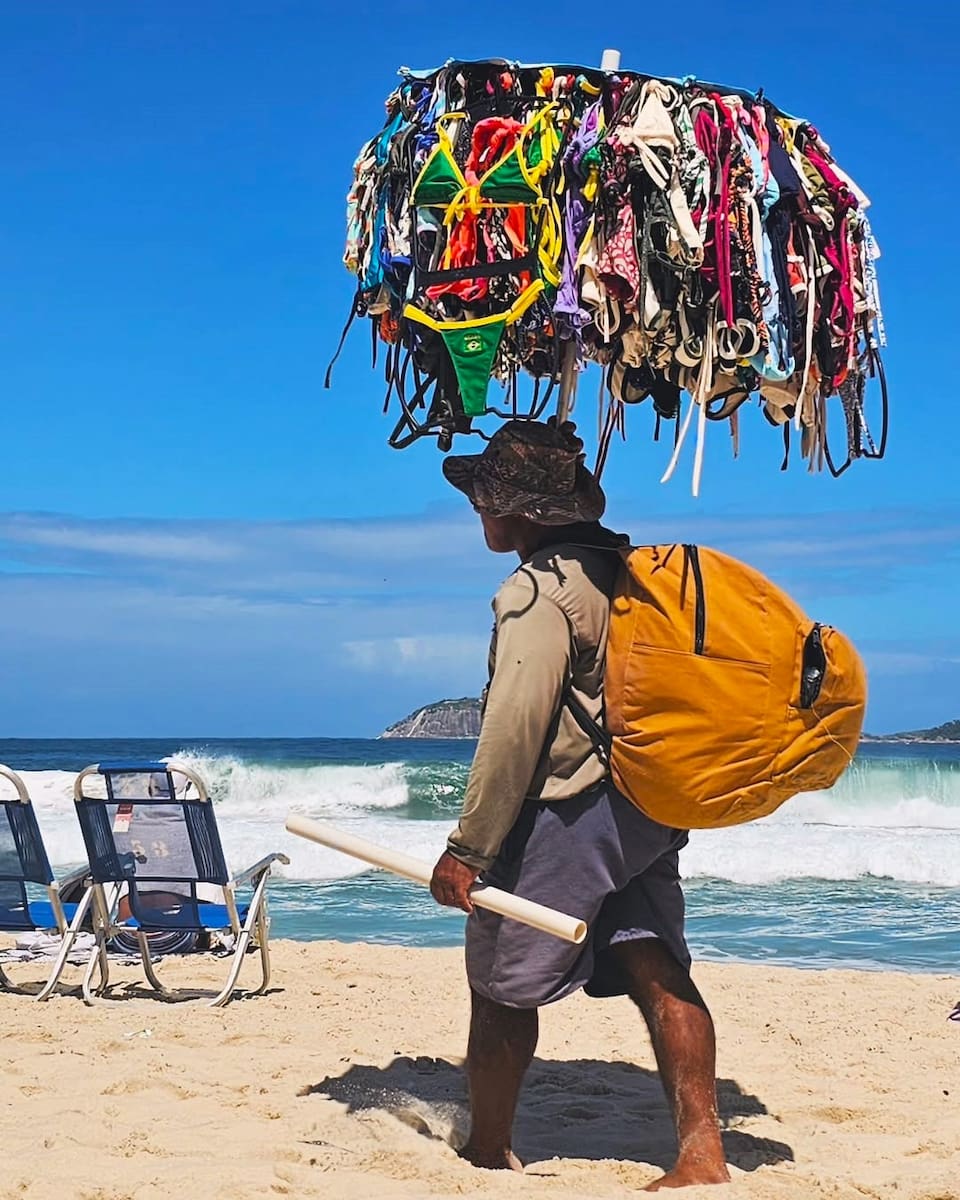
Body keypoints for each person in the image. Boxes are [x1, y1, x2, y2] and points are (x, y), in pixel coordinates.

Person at [429, 417, 730, 1190]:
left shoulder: (538, 592)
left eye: (486, 499)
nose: (478, 513)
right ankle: (702, 1150)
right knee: (656, 963)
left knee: (499, 982)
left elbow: (516, 728)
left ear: (523, 512)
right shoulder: (628, 573)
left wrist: (469, 849)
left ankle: (488, 1149)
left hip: (572, 809)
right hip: (648, 803)